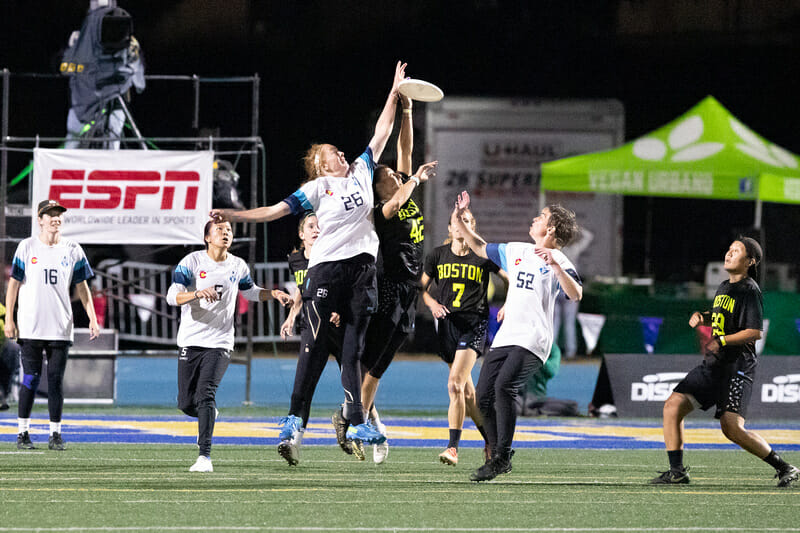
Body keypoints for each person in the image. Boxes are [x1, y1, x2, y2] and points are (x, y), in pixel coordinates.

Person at [212, 61, 436, 449]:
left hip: (363, 273)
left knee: (353, 351)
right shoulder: (318, 188)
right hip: (328, 271)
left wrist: (394, 91)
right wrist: (233, 214)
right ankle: (295, 419)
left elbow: (384, 131)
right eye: (334, 152)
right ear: (321, 164)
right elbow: (275, 211)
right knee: (312, 347)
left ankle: (356, 421)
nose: (342, 153)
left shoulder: (364, 170)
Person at [449, 192, 582, 482]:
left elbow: (575, 294)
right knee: (483, 398)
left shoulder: (557, 258)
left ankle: (502, 455)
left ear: (551, 229)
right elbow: (480, 247)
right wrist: (461, 218)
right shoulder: (517, 250)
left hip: (534, 339)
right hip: (507, 336)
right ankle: (498, 455)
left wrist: (557, 267)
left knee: (504, 388)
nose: (535, 219)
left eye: (541, 217)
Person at [333, 93, 434, 464]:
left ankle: (358, 416)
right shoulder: (383, 207)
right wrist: (416, 180)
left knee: (379, 366)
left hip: (408, 292)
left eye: (396, 174)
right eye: (388, 174)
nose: (394, 172)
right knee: (370, 361)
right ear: (377, 187)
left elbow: (405, 150)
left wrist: (408, 110)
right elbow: (395, 200)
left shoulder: (405, 195)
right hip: (389, 288)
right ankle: (353, 418)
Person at [650, 237, 798, 488]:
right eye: (728, 249)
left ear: (750, 261)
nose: (728, 254)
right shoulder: (724, 287)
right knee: (672, 406)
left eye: (736, 251)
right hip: (713, 365)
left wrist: (723, 341)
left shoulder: (749, 290)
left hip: (736, 367)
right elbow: (722, 317)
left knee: (731, 428)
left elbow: (754, 332)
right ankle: (677, 472)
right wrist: (703, 317)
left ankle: (785, 467)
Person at [166, 218, 291, 472]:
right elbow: (171, 297)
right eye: (220, 231)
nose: (226, 234)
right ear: (207, 238)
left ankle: (204, 456)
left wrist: (273, 293)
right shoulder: (192, 262)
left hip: (220, 342)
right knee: (185, 403)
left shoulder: (238, 265)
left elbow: (251, 291)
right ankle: (208, 413)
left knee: (205, 394)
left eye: (229, 231)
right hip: (191, 339)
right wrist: (197, 293)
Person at [4, 199, 100, 451]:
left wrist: (92, 317)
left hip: (60, 325)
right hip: (31, 325)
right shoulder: (27, 247)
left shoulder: (72, 249)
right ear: (40, 220)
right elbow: (13, 284)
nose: (55, 218)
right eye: (50, 215)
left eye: (59, 215)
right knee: (30, 379)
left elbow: (82, 286)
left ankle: (55, 434)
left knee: (56, 381)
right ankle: (23, 432)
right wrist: (9, 319)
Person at [421, 206, 506, 467]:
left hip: (474, 325)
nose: (461, 224)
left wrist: (508, 304)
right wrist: (432, 303)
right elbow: (421, 289)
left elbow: (509, 279)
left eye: (466, 220)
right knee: (468, 396)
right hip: (448, 327)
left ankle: (453, 448)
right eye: (457, 220)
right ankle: (492, 441)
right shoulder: (437, 255)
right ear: (449, 228)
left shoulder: (482, 256)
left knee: (455, 384)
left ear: (472, 227)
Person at [277, 212, 352, 465]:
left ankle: (377, 431)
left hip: (339, 329)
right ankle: (292, 442)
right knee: (301, 390)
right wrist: (292, 315)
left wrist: (340, 310)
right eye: (311, 225)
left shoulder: (335, 257)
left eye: (320, 225)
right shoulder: (296, 260)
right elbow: (302, 288)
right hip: (313, 330)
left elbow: (348, 289)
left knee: (358, 388)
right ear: (301, 233)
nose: (316, 229)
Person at [552, 228, 593, 359]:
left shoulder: (555, 251)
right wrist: (576, 227)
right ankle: (570, 351)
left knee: (554, 322)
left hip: (557, 288)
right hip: (570, 288)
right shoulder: (574, 249)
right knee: (569, 322)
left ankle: (552, 351)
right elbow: (588, 236)